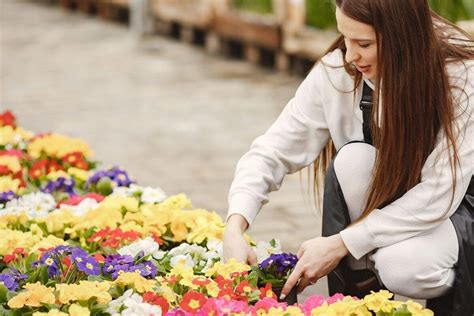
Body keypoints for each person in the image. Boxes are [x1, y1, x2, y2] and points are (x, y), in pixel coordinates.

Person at [223, 0, 473, 314]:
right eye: (345, 38)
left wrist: (341, 243)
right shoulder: (338, 70)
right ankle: (359, 306)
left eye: (364, 44)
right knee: (353, 161)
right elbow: (271, 150)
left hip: (458, 210)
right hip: (400, 212)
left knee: (402, 265)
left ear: (402, 38)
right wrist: (235, 225)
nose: (351, 56)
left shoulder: (459, 74)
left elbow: (440, 192)